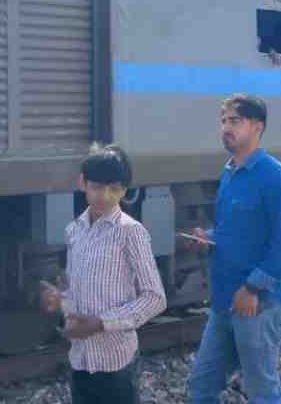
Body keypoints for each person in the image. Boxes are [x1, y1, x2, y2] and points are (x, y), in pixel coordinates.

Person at [185, 94, 281, 404]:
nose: (226, 127)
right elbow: (231, 231)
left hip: (257, 304)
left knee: (260, 390)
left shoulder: (276, 176)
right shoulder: (229, 173)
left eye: (234, 121)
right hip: (224, 301)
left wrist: (252, 288)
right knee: (201, 386)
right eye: (223, 121)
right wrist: (208, 238)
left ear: (258, 127)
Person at [39, 144, 167, 404]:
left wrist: (101, 323)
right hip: (81, 360)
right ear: (82, 183)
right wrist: (60, 301)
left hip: (116, 364)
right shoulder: (75, 231)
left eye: (115, 189)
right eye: (97, 187)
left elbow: (155, 298)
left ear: (125, 190)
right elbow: (80, 293)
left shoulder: (131, 232)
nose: (105, 196)